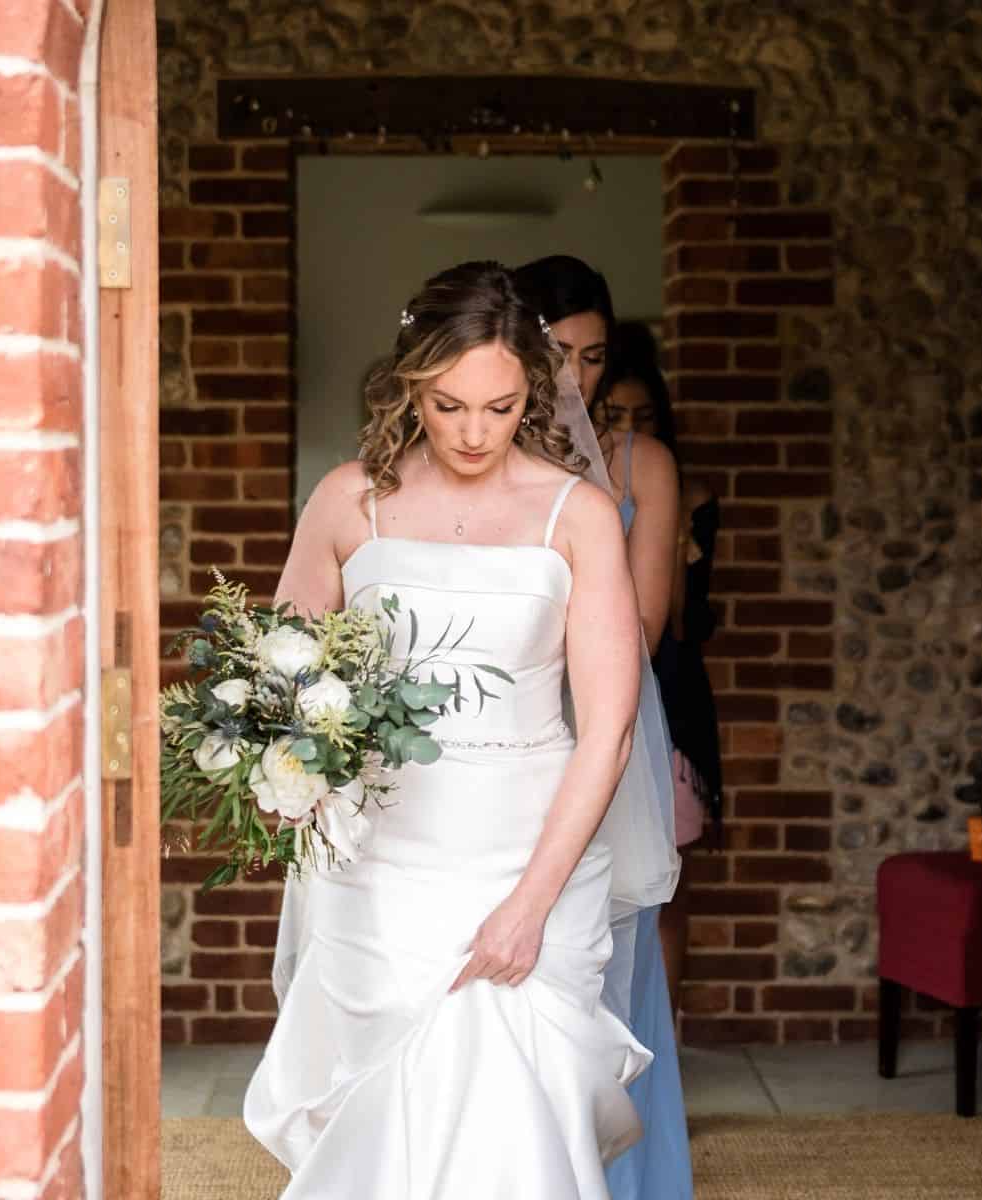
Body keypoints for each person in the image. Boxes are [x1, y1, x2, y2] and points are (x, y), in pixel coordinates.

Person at [244, 261, 674, 1200]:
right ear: (409, 387)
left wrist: (529, 905)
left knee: (519, 1123)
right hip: (381, 859)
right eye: (448, 407)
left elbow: (607, 730)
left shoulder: (580, 514)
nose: (475, 433)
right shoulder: (347, 501)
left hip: (530, 847)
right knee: (380, 1119)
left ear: (535, 387)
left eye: (502, 405)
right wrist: (281, 780)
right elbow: (281, 675)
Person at [514, 256, 694, 1200]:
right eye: (554, 353)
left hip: (602, 729)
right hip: (492, 743)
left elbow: (647, 625)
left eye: (591, 356)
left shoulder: (639, 466)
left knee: (598, 971)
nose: (573, 379)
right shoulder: (474, 455)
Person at [600, 321, 725, 1013]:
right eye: (613, 415)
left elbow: (682, 623)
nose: (628, 430)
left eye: (643, 418)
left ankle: (662, 1045)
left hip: (671, 705)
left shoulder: (682, 494)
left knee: (665, 888)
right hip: (594, 699)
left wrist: (668, 537)